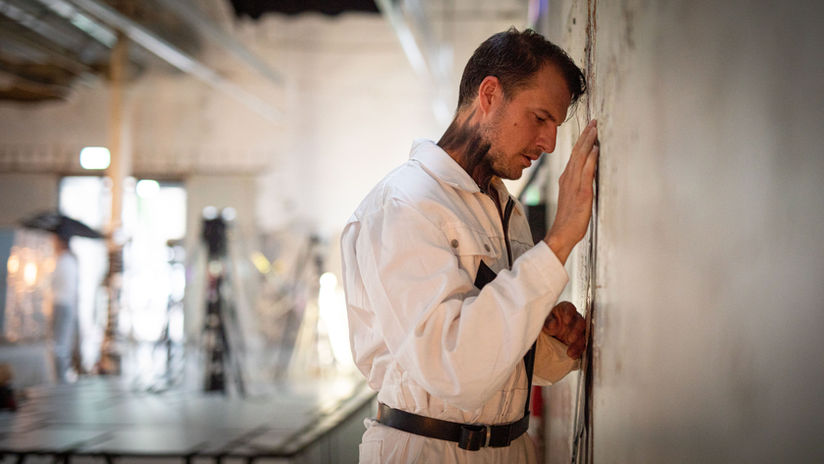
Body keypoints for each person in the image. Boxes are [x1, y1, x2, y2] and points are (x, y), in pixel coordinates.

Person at [341, 28, 599, 463]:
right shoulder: (406, 204)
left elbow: (503, 359)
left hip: (512, 448)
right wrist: (558, 243)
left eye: (555, 125)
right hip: (428, 451)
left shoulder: (500, 205)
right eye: (540, 118)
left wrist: (554, 339)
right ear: (490, 94)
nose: (550, 143)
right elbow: (452, 366)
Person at [51, 232, 79, 383]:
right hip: (68, 304)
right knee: (63, 341)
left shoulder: (63, 261)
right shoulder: (71, 260)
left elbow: (53, 282)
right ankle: (62, 375)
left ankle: (60, 376)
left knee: (59, 342)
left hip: (61, 303)